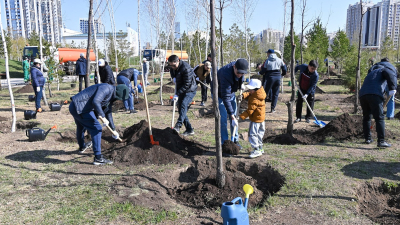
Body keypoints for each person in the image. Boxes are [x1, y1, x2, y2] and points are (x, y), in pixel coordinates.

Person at [69, 83, 129, 165]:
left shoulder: (110, 96)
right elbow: (96, 101)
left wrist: (114, 130)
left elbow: (108, 113)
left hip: (77, 107)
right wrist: (102, 117)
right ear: (117, 94)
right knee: (97, 128)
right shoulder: (106, 88)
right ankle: (98, 158)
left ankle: (82, 146)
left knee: (81, 126)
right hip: (80, 108)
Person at [359, 58, 397, 147]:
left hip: (363, 94)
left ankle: (367, 139)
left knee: (366, 117)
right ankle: (381, 141)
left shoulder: (371, 73)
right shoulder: (384, 69)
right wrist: (392, 88)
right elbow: (390, 74)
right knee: (379, 118)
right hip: (375, 94)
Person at [213, 58, 248, 148]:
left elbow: (241, 77)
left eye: (242, 73)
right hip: (219, 95)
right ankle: (225, 143)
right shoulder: (225, 74)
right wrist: (231, 114)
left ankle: (235, 140)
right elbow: (225, 97)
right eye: (238, 73)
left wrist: (240, 85)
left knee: (234, 120)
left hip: (231, 93)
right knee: (223, 119)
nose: (240, 75)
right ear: (234, 67)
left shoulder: (241, 69)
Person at [169, 55, 197, 136]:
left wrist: (177, 94)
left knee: (184, 105)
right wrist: (173, 77)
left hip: (190, 89)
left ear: (178, 61)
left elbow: (187, 84)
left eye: (174, 65)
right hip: (180, 88)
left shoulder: (186, 68)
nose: (172, 67)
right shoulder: (172, 67)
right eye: (171, 65)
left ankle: (178, 125)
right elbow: (172, 72)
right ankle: (189, 129)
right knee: (181, 109)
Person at [238, 79, 266, 158]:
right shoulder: (259, 93)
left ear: (255, 89)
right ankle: (260, 148)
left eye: (251, 89)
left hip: (255, 120)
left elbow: (249, 111)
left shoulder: (255, 99)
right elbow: (249, 93)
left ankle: (256, 149)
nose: (249, 90)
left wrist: (241, 117)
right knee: (260, 134)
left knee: (252, 134)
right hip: (261, 119)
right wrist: (243, 95)